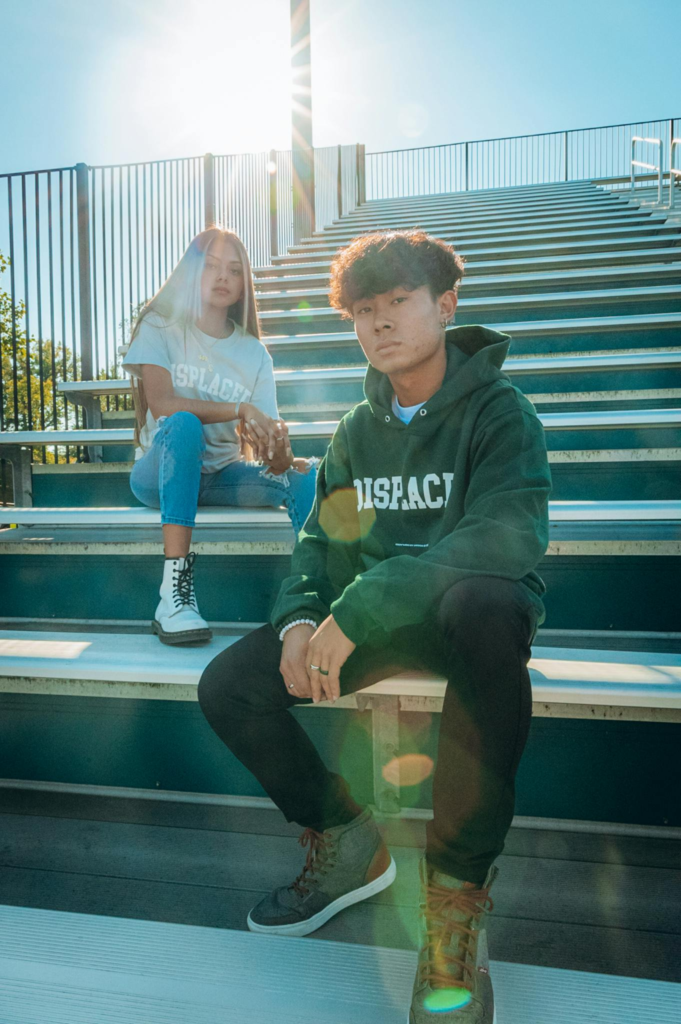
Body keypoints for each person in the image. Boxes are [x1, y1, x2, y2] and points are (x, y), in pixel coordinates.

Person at [197, 230, 551, 1022]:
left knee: (486, 605)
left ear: (445, 304)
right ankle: (347, 839)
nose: (380, 322)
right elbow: (322, 544)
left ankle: (452, 905)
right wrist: (298, 618)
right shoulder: (357, 431)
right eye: (365, 309)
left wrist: (357, 607)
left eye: (398, 302)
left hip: (469, 622)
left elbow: (503, 536)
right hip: (383, 623)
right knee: (229, 685)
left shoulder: (500, 412)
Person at [122, 227, 317, 645]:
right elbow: (161, 404)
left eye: (234, 269)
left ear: (244, 283)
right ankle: (174, 597)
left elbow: (269, 448)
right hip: (159, 475)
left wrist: (280, 451)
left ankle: (314, 599)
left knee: (308, 475)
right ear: (191, 271)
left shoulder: (254, 353)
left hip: (222, 476)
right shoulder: (161, 325)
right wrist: (238, 408)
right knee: (184, 423)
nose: (222, 276)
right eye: (211, 265)